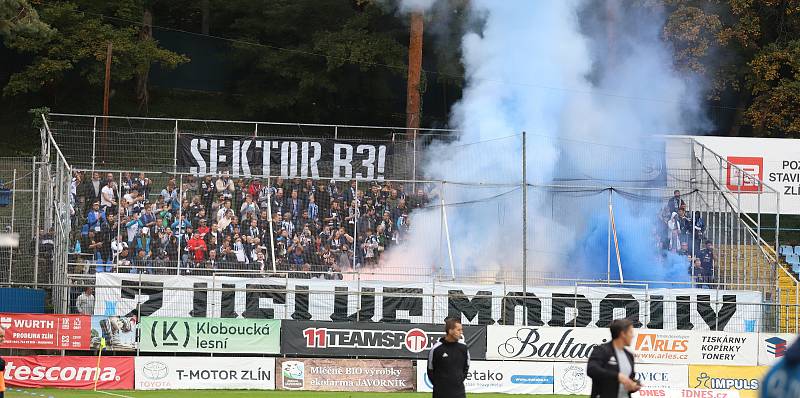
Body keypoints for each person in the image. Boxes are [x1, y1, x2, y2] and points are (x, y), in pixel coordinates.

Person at [587, 318, 640, 398]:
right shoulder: (601, 350)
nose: (633, 336)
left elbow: (629, 380)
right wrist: (616, 376)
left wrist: (634, 385)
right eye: (631, 332)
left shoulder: (629, 355)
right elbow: (592, 370)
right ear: (623, 334)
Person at [427, 317, 470, 398]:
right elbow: (430, 370)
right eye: (458, 330)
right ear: (450, 331)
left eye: (461, 330)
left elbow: (466, 367)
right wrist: (440, 385)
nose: (461, 332)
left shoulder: (463, 348)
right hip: (440, 393)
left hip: (459, 393)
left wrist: (458, 380)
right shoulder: (436, 349)